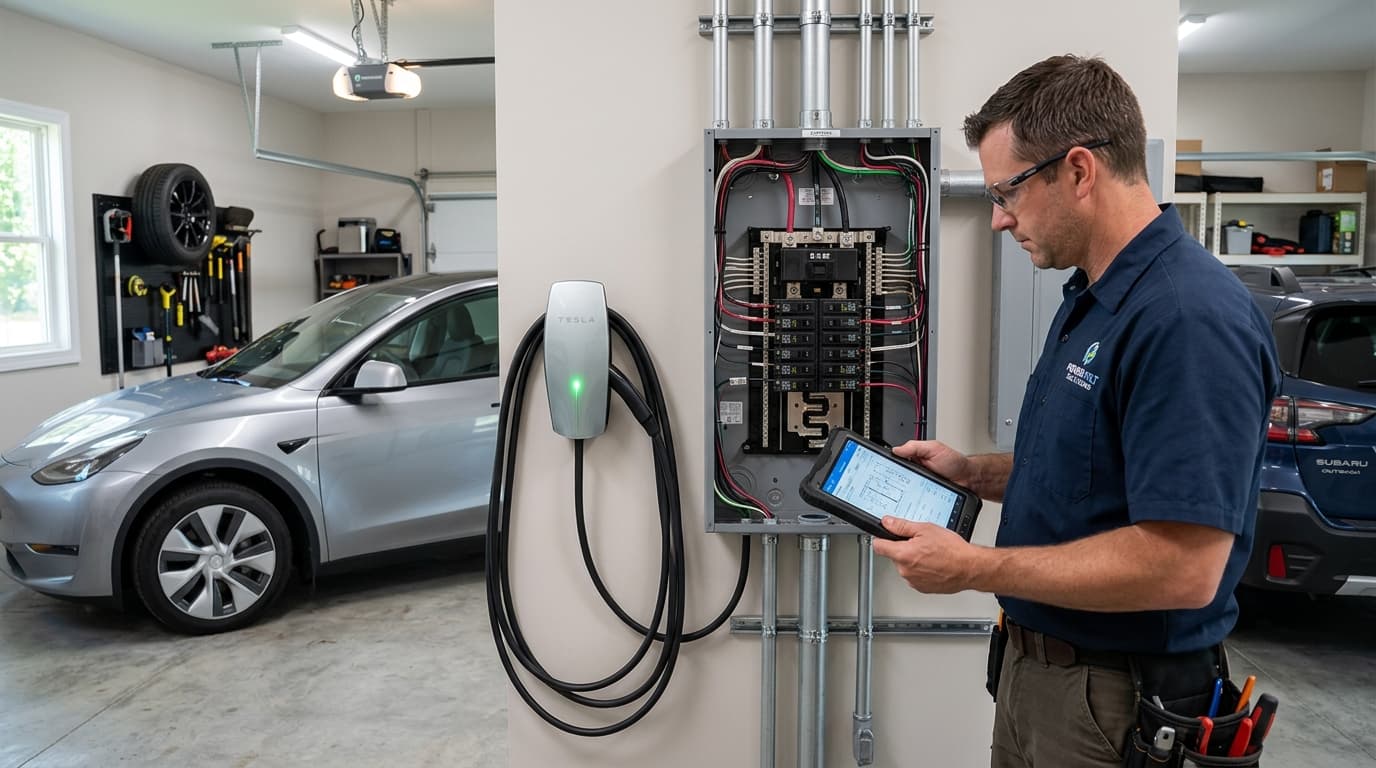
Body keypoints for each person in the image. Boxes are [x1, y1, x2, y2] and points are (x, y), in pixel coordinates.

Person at [870, 55, 1280, 768]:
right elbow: (1096, 470)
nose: (998, 219)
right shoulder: (1095, 299)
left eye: (1007, 192)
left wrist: (973, 568)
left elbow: (1183, 567)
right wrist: (974, 474)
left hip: (1114, 700)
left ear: (1079, 170)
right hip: (1042, 680)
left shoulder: (1186, 318)